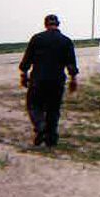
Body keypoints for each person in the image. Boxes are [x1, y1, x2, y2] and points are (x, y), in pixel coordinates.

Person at [19, 14, 79, 147]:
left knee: (34, 106)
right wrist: (73, 79)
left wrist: (24, 74)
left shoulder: (37, 39)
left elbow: (27, 60)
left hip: (38, 80)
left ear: (45, 24)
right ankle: (51, 138)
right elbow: (71, 64)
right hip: (57, 82)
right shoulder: (66, 41)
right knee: (53, 109)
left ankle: (40, 127)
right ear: (58, 24)